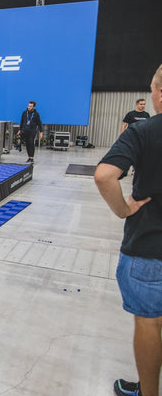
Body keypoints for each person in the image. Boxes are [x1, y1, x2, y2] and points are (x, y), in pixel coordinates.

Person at [94, 63, 162, 396]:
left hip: (149, 247)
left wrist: (123, 210)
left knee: (150, 322)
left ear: (160, 92)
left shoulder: (144, 130)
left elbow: (105, 175)